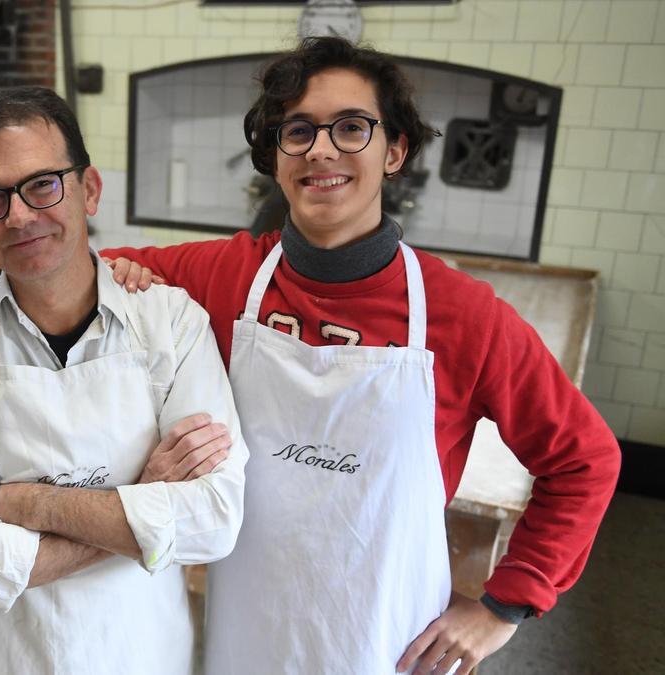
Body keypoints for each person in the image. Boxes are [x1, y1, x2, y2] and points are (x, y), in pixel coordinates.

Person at [105, 37, 621, 675]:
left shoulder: (463, 314)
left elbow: (584, 460)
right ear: (275, 155)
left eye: (351, 127)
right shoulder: (223, 277)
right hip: (248, 632)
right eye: (298, 130)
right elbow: (68, 281)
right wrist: (117, 274)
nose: (321, 148)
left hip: (389, 643)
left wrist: (504, 607)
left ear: (395, 151)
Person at [0, 86, 247, 675]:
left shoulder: (171, 323)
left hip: (138, 650)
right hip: (2, 657)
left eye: (42, 184)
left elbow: (214, 520)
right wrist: (143, 493)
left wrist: (25, 502)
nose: (18, 216)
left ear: (88, 190)